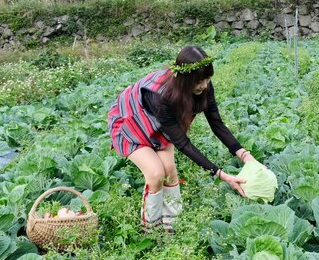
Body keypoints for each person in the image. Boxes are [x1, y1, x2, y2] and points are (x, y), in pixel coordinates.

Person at [108, 45, 257, 232]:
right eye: (199, 81)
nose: (204, 85)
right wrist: (221, 174)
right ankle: (150, 231)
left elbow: (216, 123)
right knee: (155, 174)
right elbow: (183, 144)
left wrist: (244, 155)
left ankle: (170, 225)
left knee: (169, 171)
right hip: (132, 123)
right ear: (185, 80)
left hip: (162, 125)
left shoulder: (204, 87)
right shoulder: (162, 96)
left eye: (207, 79)